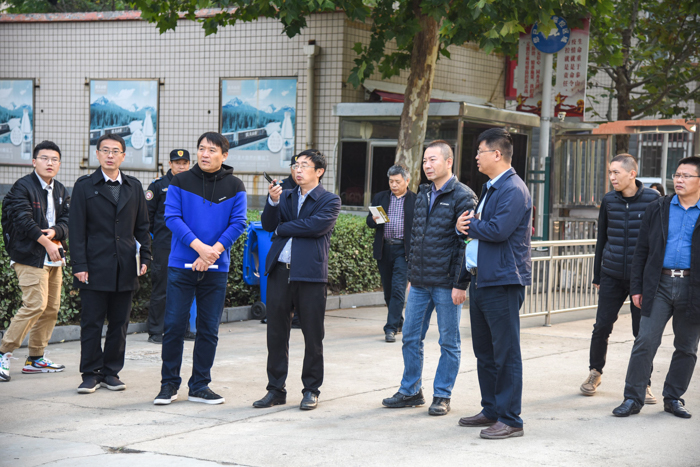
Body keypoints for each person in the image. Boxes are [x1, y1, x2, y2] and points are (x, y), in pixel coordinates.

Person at [381, 140, 477, 416]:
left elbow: (467, 243)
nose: (427, 165)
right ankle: (411, 391)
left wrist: (461, 283)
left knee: (449, 342)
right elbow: (416, 238)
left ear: (449, 162)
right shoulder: (423, 194)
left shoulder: (463, 196)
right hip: (420, 282)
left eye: (433, 159)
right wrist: (412, 274)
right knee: (410, 338)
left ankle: (442, 395)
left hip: (447, 284)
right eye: (424, 160)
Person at [154, 132, 247, 406]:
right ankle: (168, 385)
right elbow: (172, 217)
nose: (205, 154)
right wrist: (200, 249)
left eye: (212, 150)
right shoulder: (180, 181)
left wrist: (212, 253)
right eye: (202, 149)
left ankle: (200, 385)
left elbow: (239, 223)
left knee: (208, 329)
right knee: (173, 327)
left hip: (216, 268)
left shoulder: (235, 185)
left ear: (224, 155)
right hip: (181, 266)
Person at [456, 128, 532, 440]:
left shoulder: (513, 189)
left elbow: (498, 230)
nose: (476, 157)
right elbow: (479, 229)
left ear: (497, 154)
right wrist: (465, 227)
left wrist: (468, 225)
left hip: (503, 280)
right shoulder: (491, 187)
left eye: (480, 151)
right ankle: (491, 409)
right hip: (483, 278)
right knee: (485, 352)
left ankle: (511, 419)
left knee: (506, 353)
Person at [253, 149, 341, 411]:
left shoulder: (329, 200)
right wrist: (272, 202)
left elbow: (316, 226)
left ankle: (311, 390)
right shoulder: (285, 196)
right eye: (295, 165)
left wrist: (284, 227)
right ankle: (275, 389)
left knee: (313, 336)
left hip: (310, 275)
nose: (298, 170)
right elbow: (268, 225)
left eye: (304, 165)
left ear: (319, 171)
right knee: (276, 334)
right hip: (280, 272)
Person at [613, 156, 700, 419]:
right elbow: (641, 250)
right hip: (659, 284)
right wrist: (637, 287)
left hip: (693, 287)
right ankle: (633, 397)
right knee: (645, 341)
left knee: (686, 347)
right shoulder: (658, 207)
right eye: (677, 175)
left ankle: (673, 398)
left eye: (686, 176)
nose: (679, 180)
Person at [69, 134, 151, 394]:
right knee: (91, 323)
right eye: (105, 150)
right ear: (97, 154)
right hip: (93, 266)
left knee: (120, 323)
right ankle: (90, 373)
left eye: (115, 151)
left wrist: (146, 257)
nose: (110, 155)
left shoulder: (133, 186)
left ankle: (111, 372)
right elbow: (76, 230)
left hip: (125, 267)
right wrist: (79, 265)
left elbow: (142, 227)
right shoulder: (84, 186)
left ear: (123, 156)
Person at [580, 154, 659, 400]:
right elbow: (601, 238)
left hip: (640, 279)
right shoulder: (609, 200)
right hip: (611, 274)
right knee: (601, 326)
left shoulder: (653, 199)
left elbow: (658, 241)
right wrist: (597, 275)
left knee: (641, 333)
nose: (612, 177)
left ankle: (643, 382)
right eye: (610, 173)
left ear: (632, 174)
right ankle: (594, 372)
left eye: (616, 172)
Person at [0, 141, 70, 382]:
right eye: (44, 158)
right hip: (29, 255)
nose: (50, 163)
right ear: (34, 162)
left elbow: (68, 219)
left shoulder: (60, 189)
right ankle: (3, 352)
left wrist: (56, 232)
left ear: (59, 164)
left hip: (53, 257)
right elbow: (22, 220)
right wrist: (47, 243)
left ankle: (36, 358)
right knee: (35, 305)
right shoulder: (22, 186)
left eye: (54, 159)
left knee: (51, 309)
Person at [366, 164, 416, 342]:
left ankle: (391, 328)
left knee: (398, 289)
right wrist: (373, 220)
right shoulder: (381, 197)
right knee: (388, 291)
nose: (393, 185)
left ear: (407, 181)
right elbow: (369, 222)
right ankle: (398, 321)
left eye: (397, 181)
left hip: (403, 250)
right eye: (391, 181)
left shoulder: (415, 200)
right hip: (384, 248)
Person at [145, 149, 191, 344]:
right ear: (170, 164)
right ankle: (156, 331)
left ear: (189, 164)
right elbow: (146, 218)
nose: (181, 166)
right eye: (177, 163)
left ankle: (183, 329)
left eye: (184, 163)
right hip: (164, 245)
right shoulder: (158, 186)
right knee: (162, 288)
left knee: (186, 288)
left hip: (188, 245)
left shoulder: (194, 185)